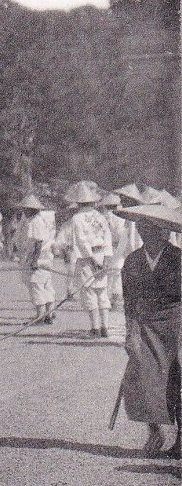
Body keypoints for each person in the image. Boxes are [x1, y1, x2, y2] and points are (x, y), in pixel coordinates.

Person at [115, 203, 181, 458]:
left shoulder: (178, 258)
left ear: (164, 231)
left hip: (175, 323)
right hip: (146, 325)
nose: (145, 231)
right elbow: (129, 301)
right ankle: (154, 432)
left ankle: (181, 438)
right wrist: (130, 332)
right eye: (141, 226)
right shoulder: (132, 261)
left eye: (151, 227)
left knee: (176, 379)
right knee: (142, 379)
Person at [64, 180, 113, 338]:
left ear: (78, 203)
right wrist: (106, 259)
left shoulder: (77, 218)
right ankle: (105, 327)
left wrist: (92, 260)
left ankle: (95, 327)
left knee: (89, 292)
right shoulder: (101, 217)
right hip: (102, 254)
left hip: (88, 257)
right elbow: (108, 238)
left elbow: (81, 240)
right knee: (102, 292)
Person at [16, 194, 57, 324]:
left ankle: (40, 316)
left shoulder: (35, 222)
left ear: (31, 209)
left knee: (36, 285)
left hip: (37, 257)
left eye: (25, 209)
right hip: (45, 257)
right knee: (46, 285)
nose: (23, 211)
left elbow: (38, 242)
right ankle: (49, 313)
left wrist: (34, 260)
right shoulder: (39, 220)